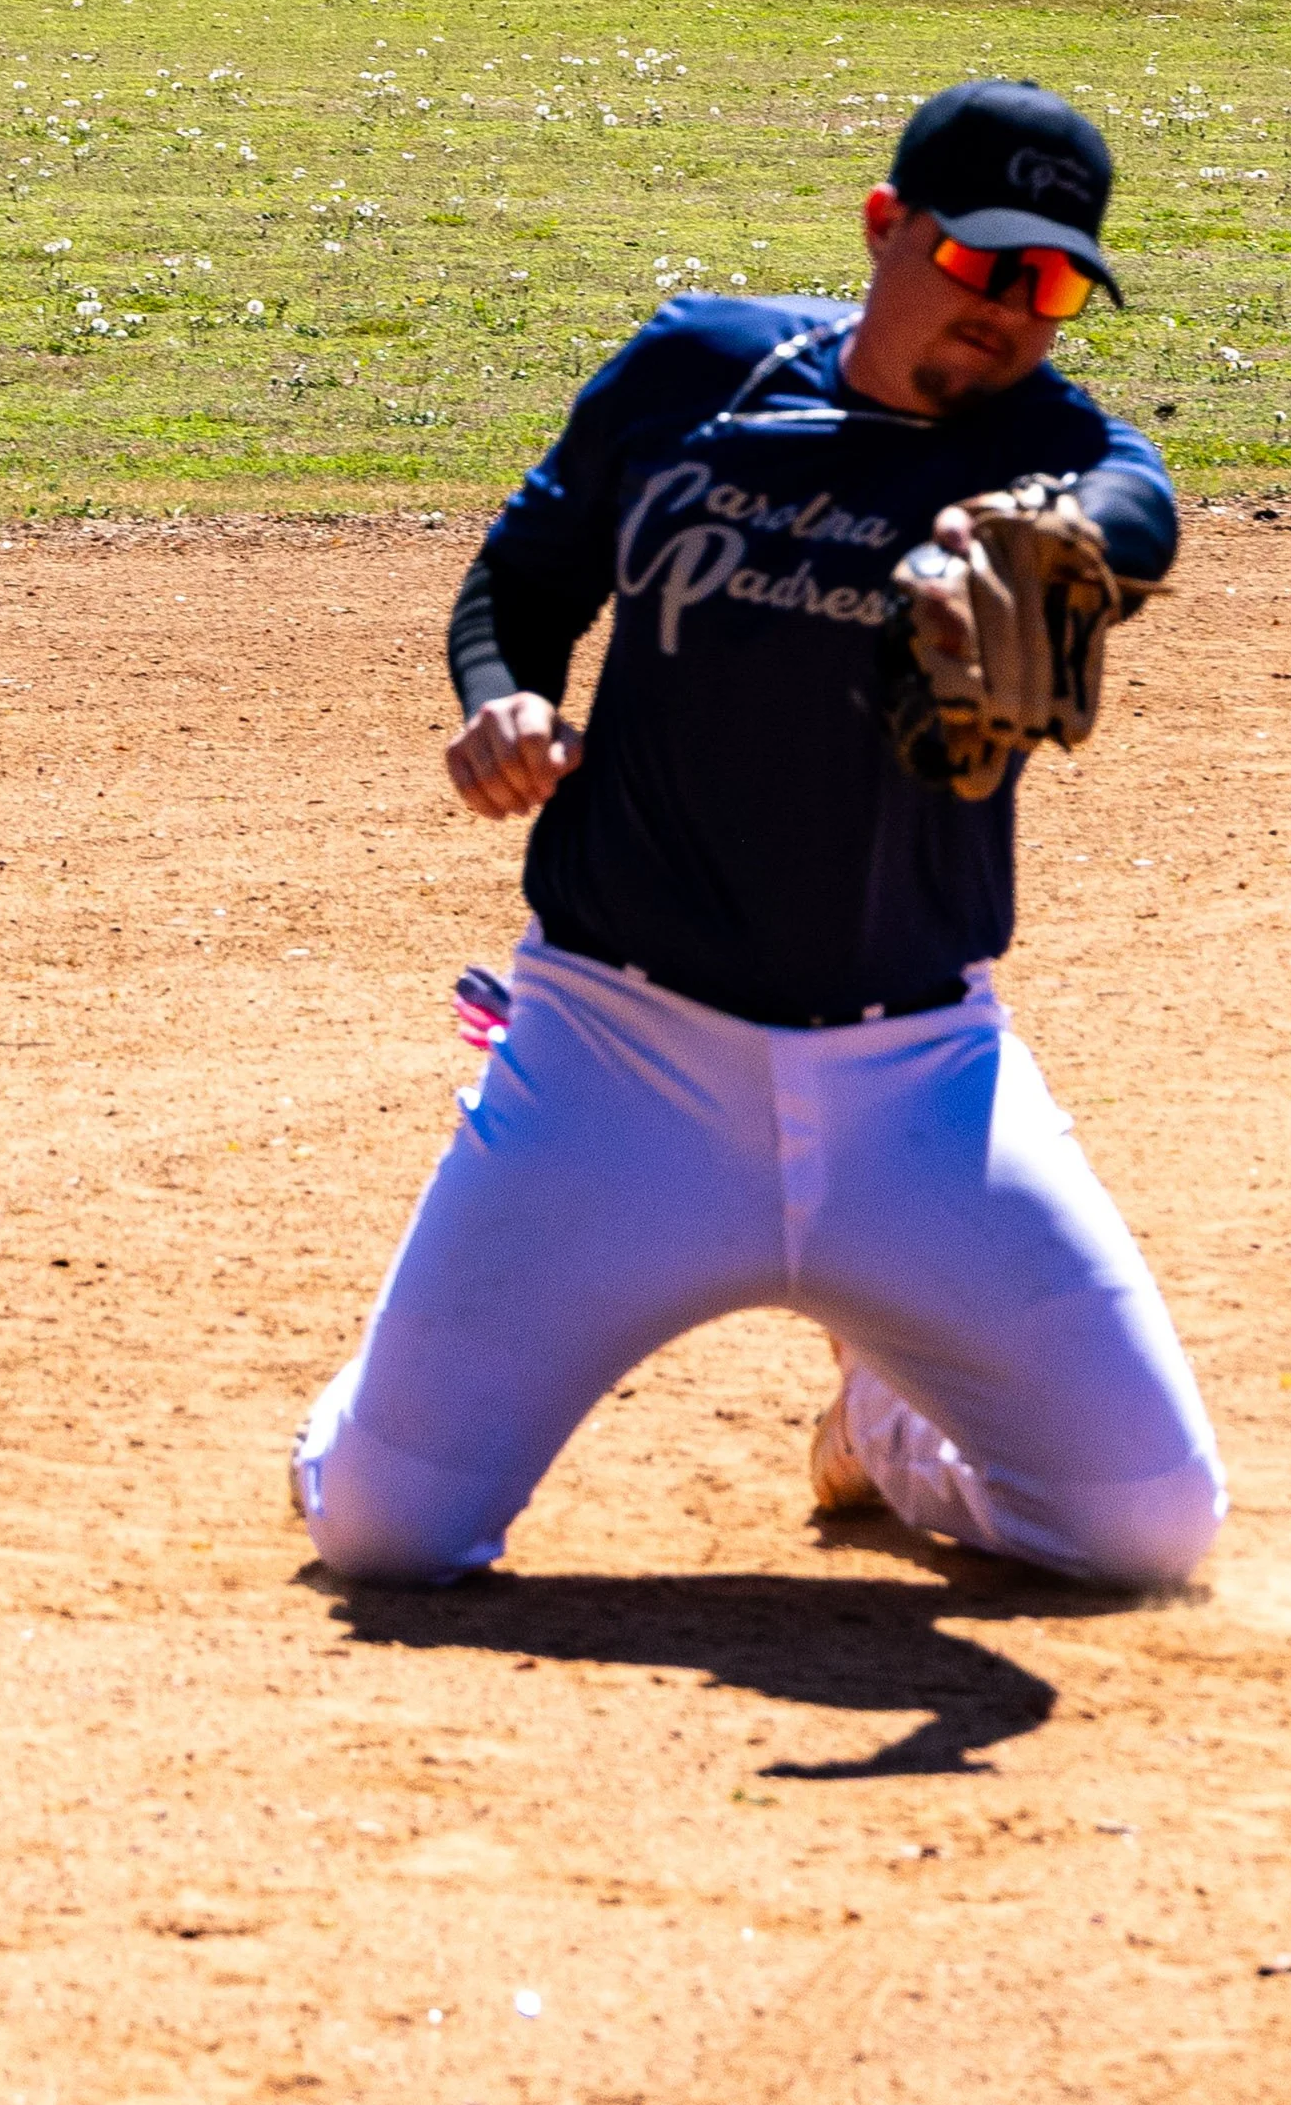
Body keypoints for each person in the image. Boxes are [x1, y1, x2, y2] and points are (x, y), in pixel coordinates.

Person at [292, 79, 1225, 1588]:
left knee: (1145, 1530)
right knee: (384, 1535)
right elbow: (521, 579)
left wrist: (1064, 538)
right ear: (885, 229)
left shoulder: (1043, 444)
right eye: (986, 263)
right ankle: (386, 1402)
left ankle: (893, 1427)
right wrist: (504, 698)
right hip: (614, 1055)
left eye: (1055, 285)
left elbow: (1138, 507)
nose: (1012, 312)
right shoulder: (697, 373)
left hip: (918, 1085)